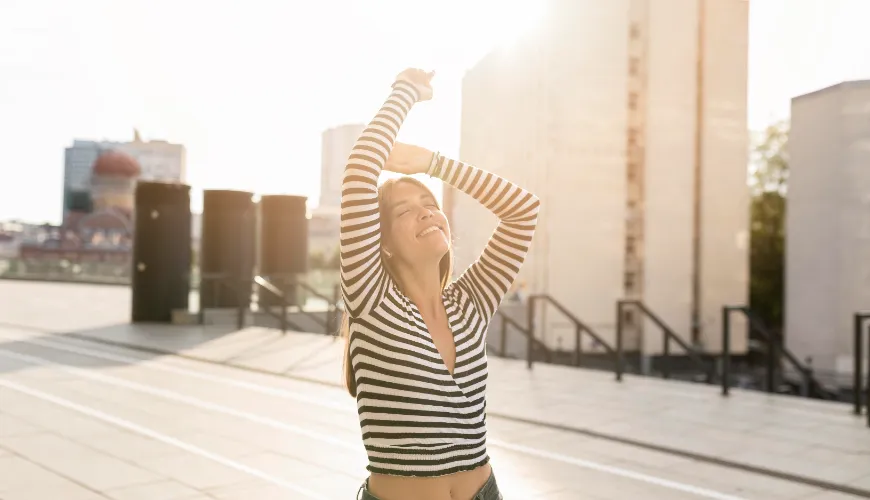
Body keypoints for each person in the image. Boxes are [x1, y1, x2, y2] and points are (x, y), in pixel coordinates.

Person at [340, 68, 540, 500]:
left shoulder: (470, 303)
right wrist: (407, 91)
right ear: (384, 243)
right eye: (404, 211)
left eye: (429, 203)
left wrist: (435, 164)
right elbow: (360, 169)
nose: (426, 212)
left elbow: (523, 211)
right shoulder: (371, 300)